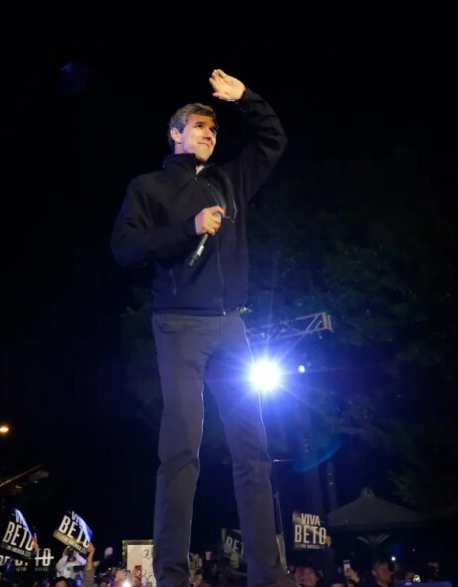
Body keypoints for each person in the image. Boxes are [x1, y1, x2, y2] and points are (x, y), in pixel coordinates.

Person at [110, 69, 289, 587]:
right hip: (179, 325)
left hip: (232, 326)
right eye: (199, 126)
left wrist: (246, 98)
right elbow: (124, 249)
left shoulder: (229, 180)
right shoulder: (149, 187)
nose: (210, 133)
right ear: (176, 133)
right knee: (181, 450)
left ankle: (268, 575)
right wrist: (186, 229)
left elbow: (273, 140)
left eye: (214, 127)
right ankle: (170, 574)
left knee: (253, 451)